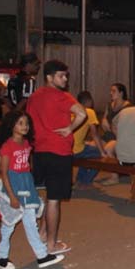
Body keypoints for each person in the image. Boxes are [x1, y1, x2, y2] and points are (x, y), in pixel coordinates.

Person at [26, 59, 87, 256]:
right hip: (58, 151)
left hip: (40, 151)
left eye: (66, 76)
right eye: (61, 76)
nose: (65, 79)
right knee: (54, 199)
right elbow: (82, 113)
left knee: (49, 195)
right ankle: (51, 245)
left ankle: (43, 234)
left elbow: (29, 123)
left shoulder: (34, 97)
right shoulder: (62, 96)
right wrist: (70, 129)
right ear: (49, 77)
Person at [0, 111, 64, 269]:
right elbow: (4, 173)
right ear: (11, 125)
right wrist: (11, 196)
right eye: (20, 123)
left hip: (26, 186)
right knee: (9, 224)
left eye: (26, 123)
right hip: (14, 187)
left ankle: (41, 255)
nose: (24, 126)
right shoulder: (7, 146)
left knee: (30, 222)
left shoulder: (26, 143)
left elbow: (27, 166)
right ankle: (1, 257)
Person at [73, 91, 111, 188]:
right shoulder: (89, 112)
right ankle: (85, 181)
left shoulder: (72, 111)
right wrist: (102, 152)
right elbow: (95, 135)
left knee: (87, 151)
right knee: (98, 155)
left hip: (66, 149)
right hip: (77, 151)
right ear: (89, 101)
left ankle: (79, 180)